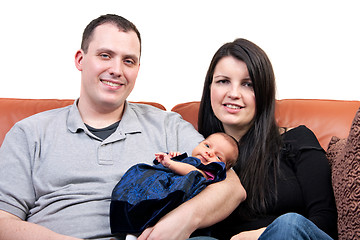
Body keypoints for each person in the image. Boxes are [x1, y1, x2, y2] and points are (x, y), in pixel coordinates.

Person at [0, 14, 246, 240]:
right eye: (105, 55)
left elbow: (232, 187)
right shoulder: (30, 133)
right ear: (80, 59)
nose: (116, 70)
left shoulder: (166, 124)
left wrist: (182, 220)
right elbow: (3, 219)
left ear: (137, 69)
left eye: (128, 61)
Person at [197, 38, 338, 239]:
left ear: (264, 93)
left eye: (248, 84)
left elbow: (325, 222)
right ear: (209, 87)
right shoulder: (199, 151)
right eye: (223, 81)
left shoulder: (297, 140)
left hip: (289, 235)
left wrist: (252, 237)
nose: (234, 93)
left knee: (289, 224)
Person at [110, 132, 240, 238]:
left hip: (175, 201)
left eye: (218, 156)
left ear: (224, 167)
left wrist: (172, 164)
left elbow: (193, 173)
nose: (210, 153)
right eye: (207, 146)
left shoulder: (209, 172)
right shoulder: (187, 158)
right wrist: (172, 158)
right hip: (162, 187)